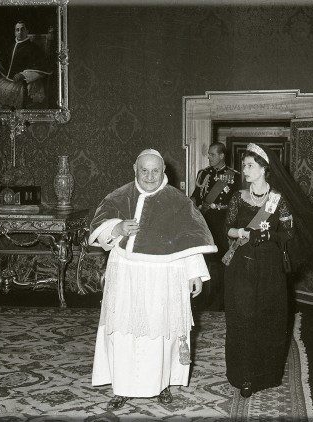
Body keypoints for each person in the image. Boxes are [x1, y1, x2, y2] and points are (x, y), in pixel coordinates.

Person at [88, 149, 217, 410]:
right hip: (126, 273)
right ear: (135, 169)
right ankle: (122, 387)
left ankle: (162, 384)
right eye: (144, 170)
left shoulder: (179, 202)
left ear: (163, 172)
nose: (149, 176)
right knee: (124, 331)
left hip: (165, 275)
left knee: (162, 331)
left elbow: (190, 239)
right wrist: (117, 227)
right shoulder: (118, 196)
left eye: (155, 171)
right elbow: (100, 230)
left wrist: (195, 274)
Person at [222, 143, 313, 398]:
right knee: (243, 318)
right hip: (241, 266)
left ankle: (266, 373)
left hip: (270, 267)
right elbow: (227, 228)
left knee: (268, 317)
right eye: (244, 165)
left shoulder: (277, 200)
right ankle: (244, 375)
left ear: (263, 169)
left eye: (249, 166)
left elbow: (288, 232)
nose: (244, 170)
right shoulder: (238, 198)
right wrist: (240, 232)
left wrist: (267, 233)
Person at [190, 142, 239, 311]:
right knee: (204, 259)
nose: (209, 157)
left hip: (223, 222)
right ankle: (204, 298)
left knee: (221, 261)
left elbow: (237, 204)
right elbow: (195, 197)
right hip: (205, 220)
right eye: (209, 154)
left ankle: (221, 301)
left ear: (221, 156)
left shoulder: (234, 176)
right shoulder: (203, 174)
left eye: (212, 154)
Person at [0, 20, 52, 109]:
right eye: (17, 30)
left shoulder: (33, 47)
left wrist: (23, 74)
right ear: (15, 32)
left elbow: (43, 66)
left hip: (24, 82)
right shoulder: (11, 46)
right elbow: (3, 61)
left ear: (27, 32)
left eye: (22, 29)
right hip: (8, 79)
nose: (20, 32)